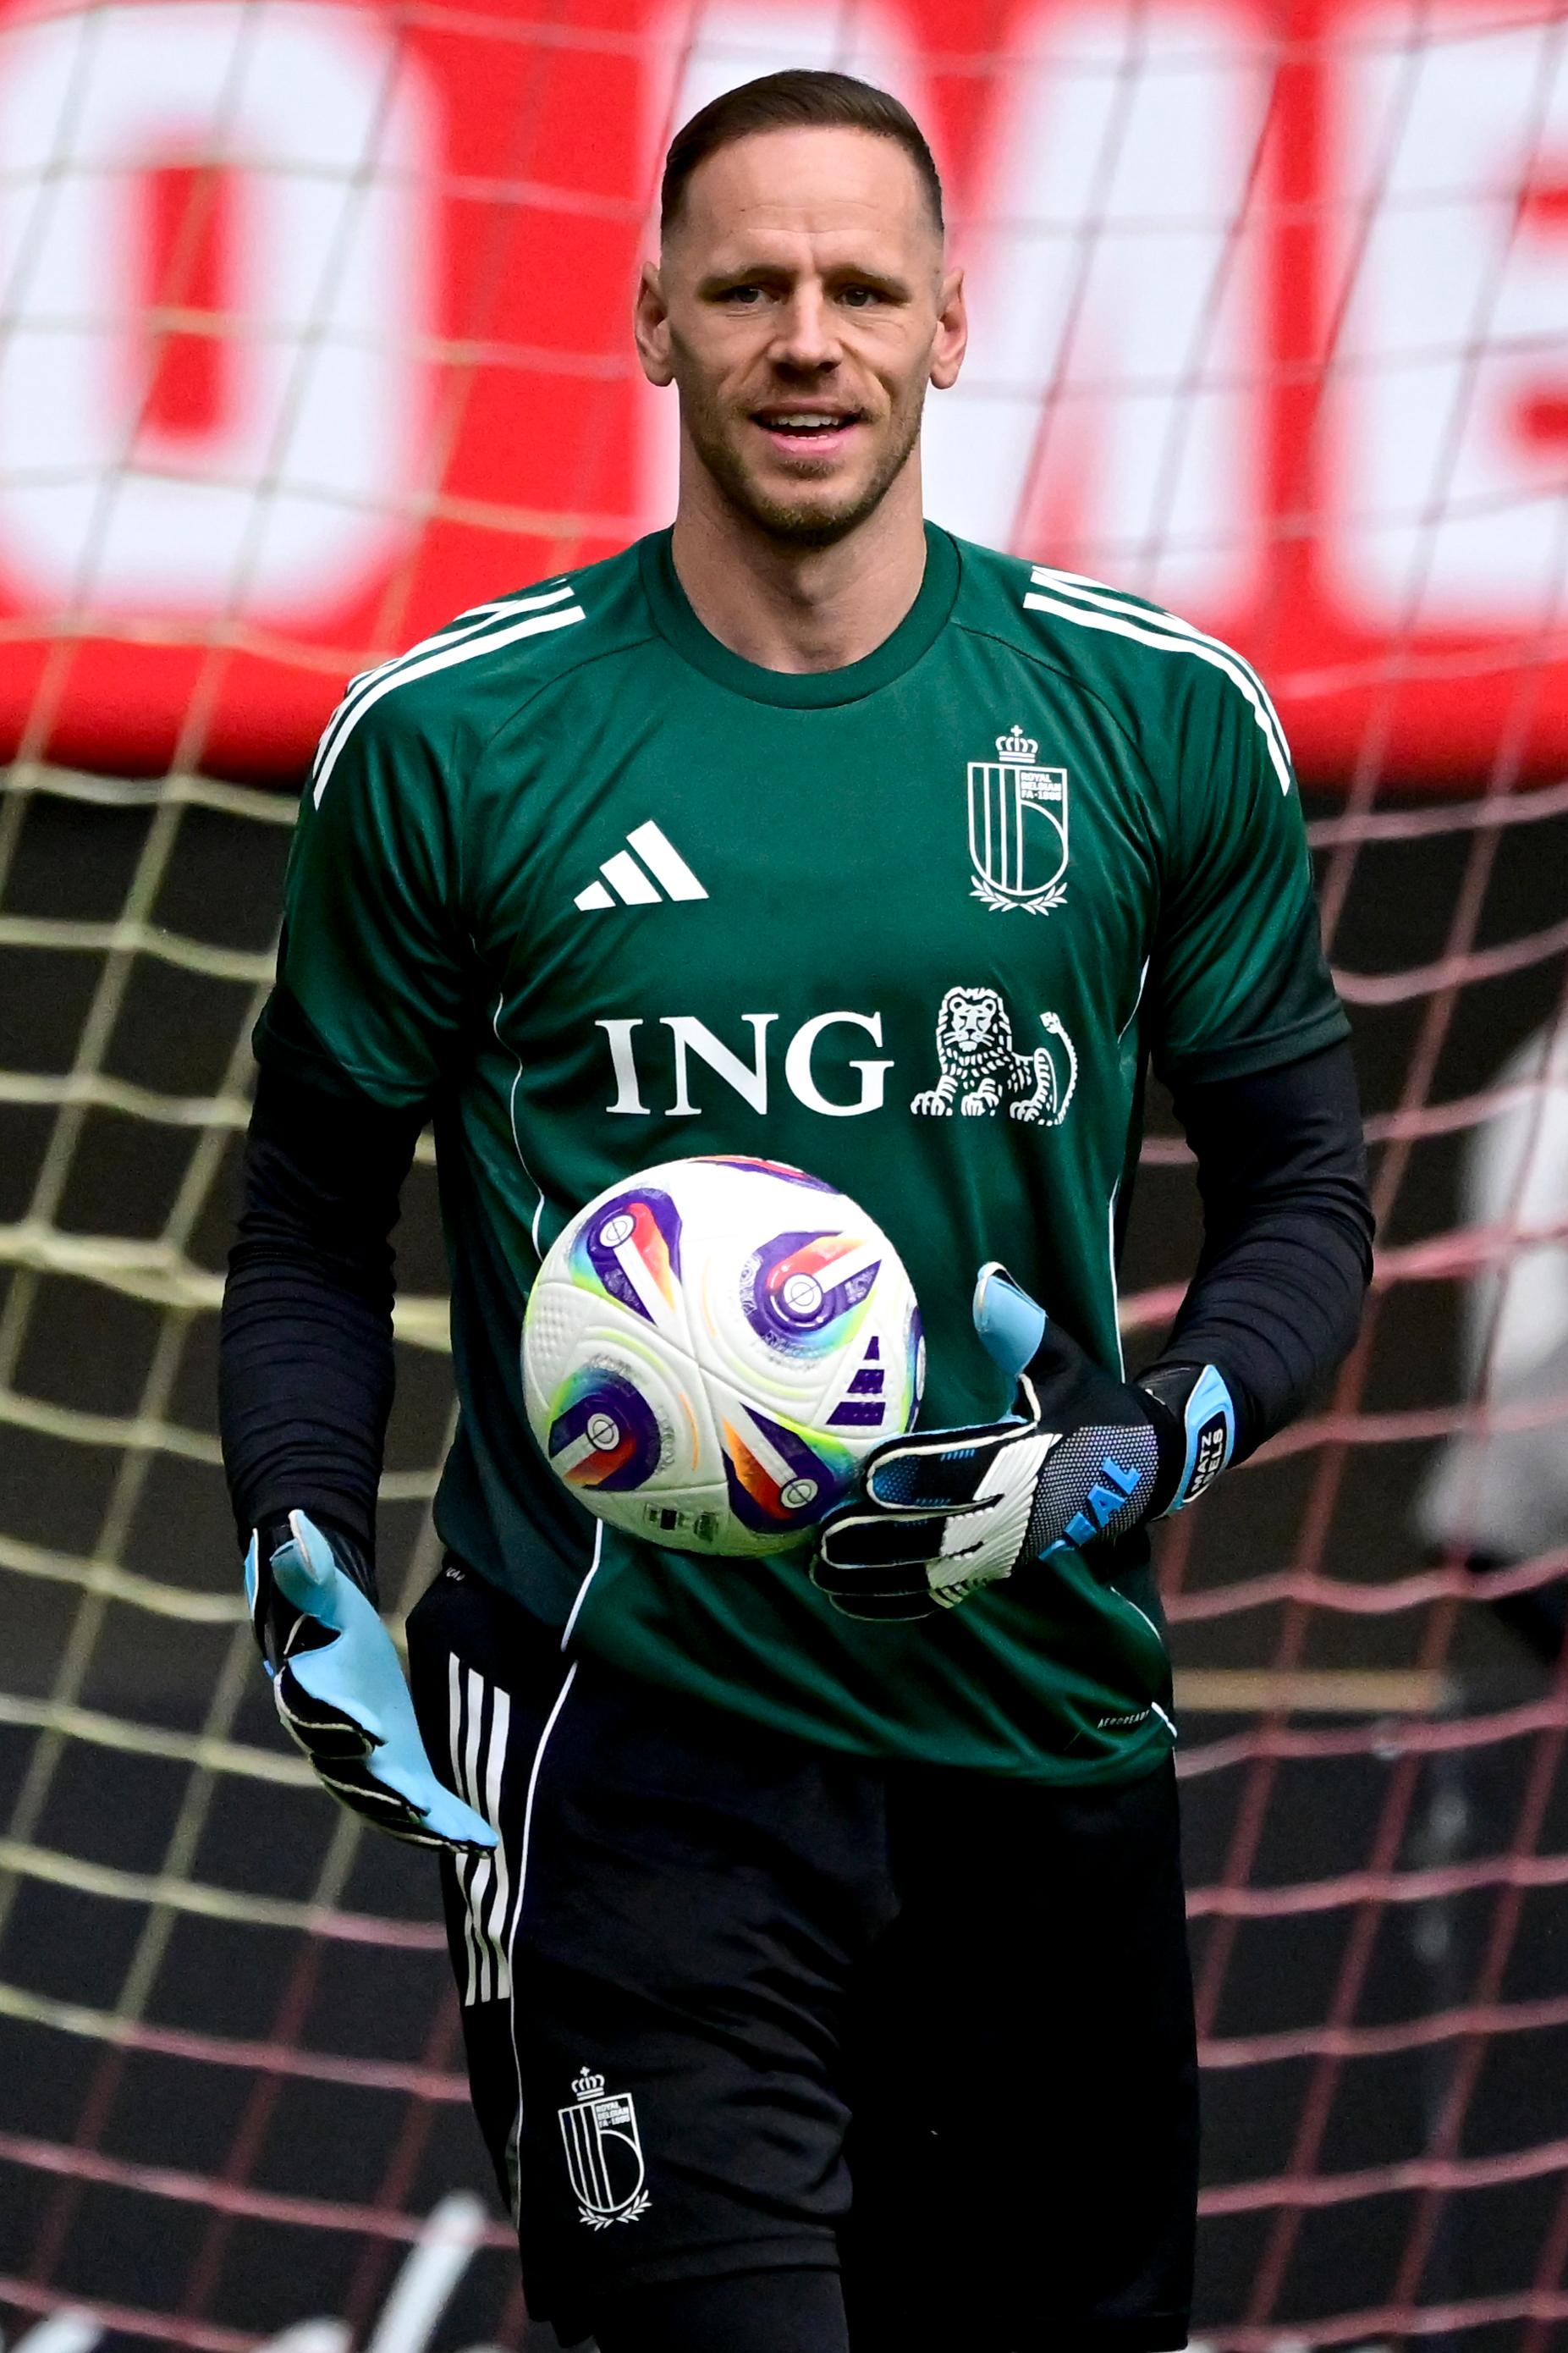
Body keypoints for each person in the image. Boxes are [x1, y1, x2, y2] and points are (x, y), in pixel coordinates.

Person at [220, 70, 1374, 2353]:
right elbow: (308, 1224)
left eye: (860, 286)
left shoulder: (1142, 721)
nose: (807, 338)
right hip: (628, 1738)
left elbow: (1305, 1191)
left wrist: (1155, 1441)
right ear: (651, 322)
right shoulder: (456, 743)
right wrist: (300, 1534)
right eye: (747, 286)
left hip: (1041, 1729)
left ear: (957, 319)